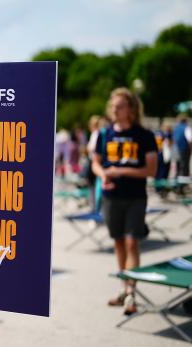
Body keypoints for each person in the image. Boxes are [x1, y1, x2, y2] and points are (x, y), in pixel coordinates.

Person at [92, 87, 157, 316]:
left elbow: (151, 169)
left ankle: (131, 292)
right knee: (118, 243)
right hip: (111, 198)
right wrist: (103, 175)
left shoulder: (144, 135)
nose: (114, 110)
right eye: (113, 106)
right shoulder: (105, 134)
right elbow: (96, 163)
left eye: (119, 106)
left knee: (132, 243)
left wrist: (120, 171)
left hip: (135, 197)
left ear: (131, 109)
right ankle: (124, 287)